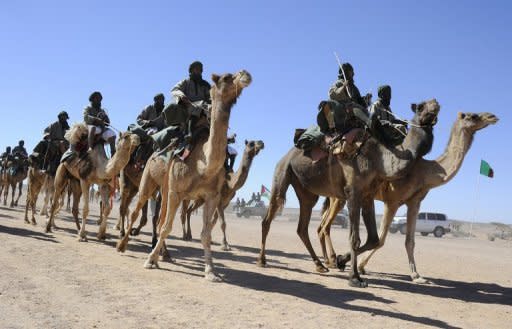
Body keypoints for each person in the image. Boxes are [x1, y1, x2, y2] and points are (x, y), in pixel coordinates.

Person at [318, 63, 373, 136]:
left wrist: (366, 99)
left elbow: (360, 101)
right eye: (351, 71)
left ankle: (370, 124)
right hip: (342, 109)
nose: (353, 74)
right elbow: (332, 95)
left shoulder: (354, 88)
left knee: (358, 109)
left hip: (354, 110)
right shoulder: (339, 83)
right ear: (345, 72)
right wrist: (343, 87)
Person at [164, 61, 211, 142]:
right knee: (199, 106)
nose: (198, 72)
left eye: (200, 70)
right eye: (196, 69)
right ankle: (189, 132)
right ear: (191, 71)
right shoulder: (186, 82)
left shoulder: (205, 85)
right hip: (187, 106)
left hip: (205, 108)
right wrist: (182, 96)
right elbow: (175, 90)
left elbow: (210, 96)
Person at [83, 91, 116, 156]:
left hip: (101, 128)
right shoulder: (88, 108)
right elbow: (86, 117)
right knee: (93, 128)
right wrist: (96, 119)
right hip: (90, 126)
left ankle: (113, 153)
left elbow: (108, 123)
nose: (99, 101)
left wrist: (105, 118)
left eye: (100, 99)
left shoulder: (102, 110)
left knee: (112, 134)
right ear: (93, 99)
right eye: (97, 99)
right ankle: (90, 147)